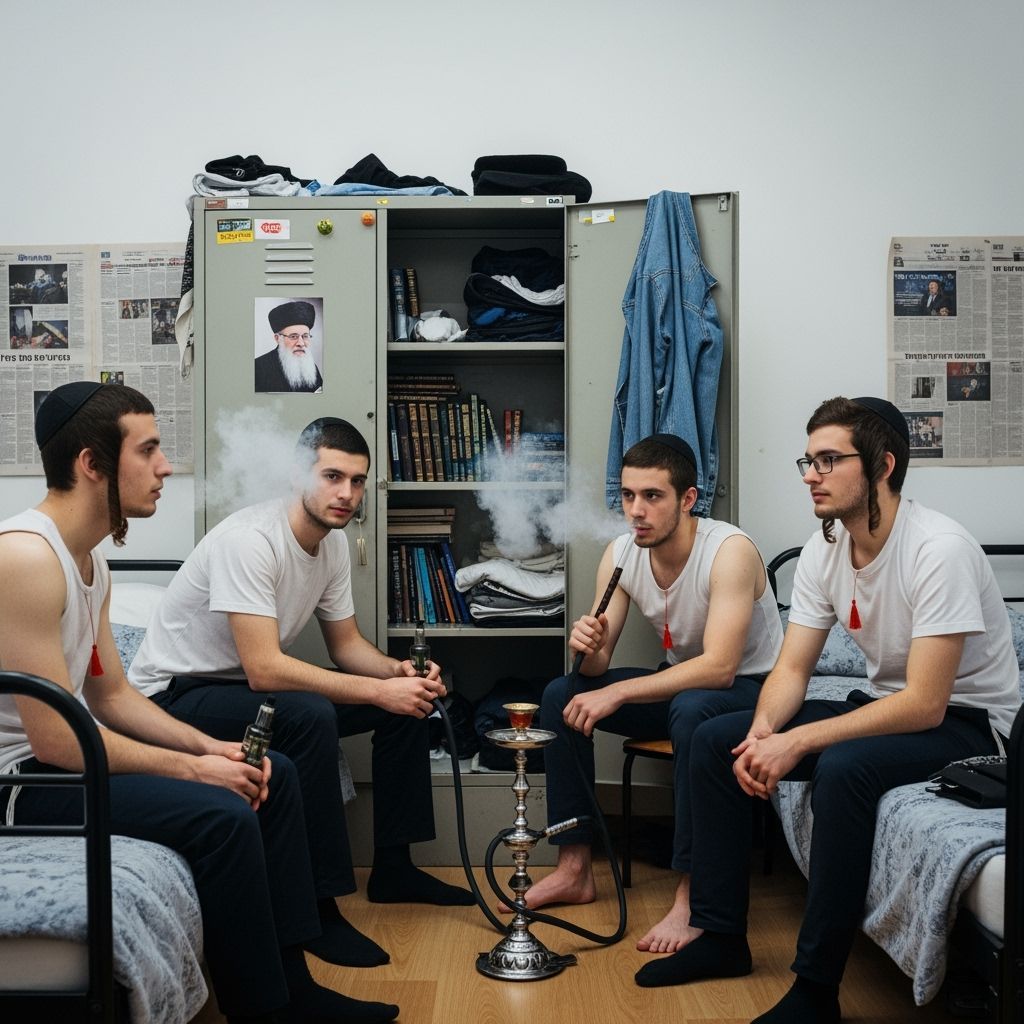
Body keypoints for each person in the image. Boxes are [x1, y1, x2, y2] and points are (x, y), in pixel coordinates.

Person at [0, 382, 399, 1024]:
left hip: (55, 764)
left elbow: (114, 696)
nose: (165, 467)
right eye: (150, 450)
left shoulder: (90, 563)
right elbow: (55, 742)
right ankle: (266, 1010)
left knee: (271, 773)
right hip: (19, 783)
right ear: (91, 462)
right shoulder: (24, 557)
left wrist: (210, 746)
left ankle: (292, 988)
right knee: (222, 815)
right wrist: (194, 770)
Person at [634, 397, 1020, 1024]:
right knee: (714, 739)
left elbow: (925, 705)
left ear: (882, 466)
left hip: (969, 725)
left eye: (828, 460)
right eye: (807, 460)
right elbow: (791, 669)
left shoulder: (939, 549)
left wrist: (799, 744)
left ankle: (816, 991)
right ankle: (721, 935)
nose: (810, 474)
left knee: (843, 766)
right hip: (889, 706)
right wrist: (763, 735)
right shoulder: (824, 549)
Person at [129, 415, 474, 965]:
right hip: (175, 697)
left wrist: (396, 677)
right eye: (333, 476)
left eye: (358, 481)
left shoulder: (332, 545)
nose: (347, 494)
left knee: (406, 706)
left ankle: (394, 868)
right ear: (297, 475)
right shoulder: (251, 541)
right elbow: (265, 669)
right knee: (309, 714)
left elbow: (348, 647)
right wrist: (372, 691)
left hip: (241, 691)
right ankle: (319, 910)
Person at [524, 433, 783, 953]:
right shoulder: (621, 553)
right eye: (627, 496)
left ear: (688, 500)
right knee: (560, 695)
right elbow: (597, 665)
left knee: (690, 709)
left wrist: (619, 695)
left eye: (652, 496)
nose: (635, 511)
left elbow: (720, 667)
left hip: (748, 689)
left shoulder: (729, 551)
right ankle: (574, 867)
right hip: (683, 684)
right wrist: (589, 644)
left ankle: (691, 895)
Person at [255, 300, 324, 392]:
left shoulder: (311, 367)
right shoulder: (257, 367)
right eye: (293, 336)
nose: (301, 343)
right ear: (277, 338)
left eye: (305, 336)